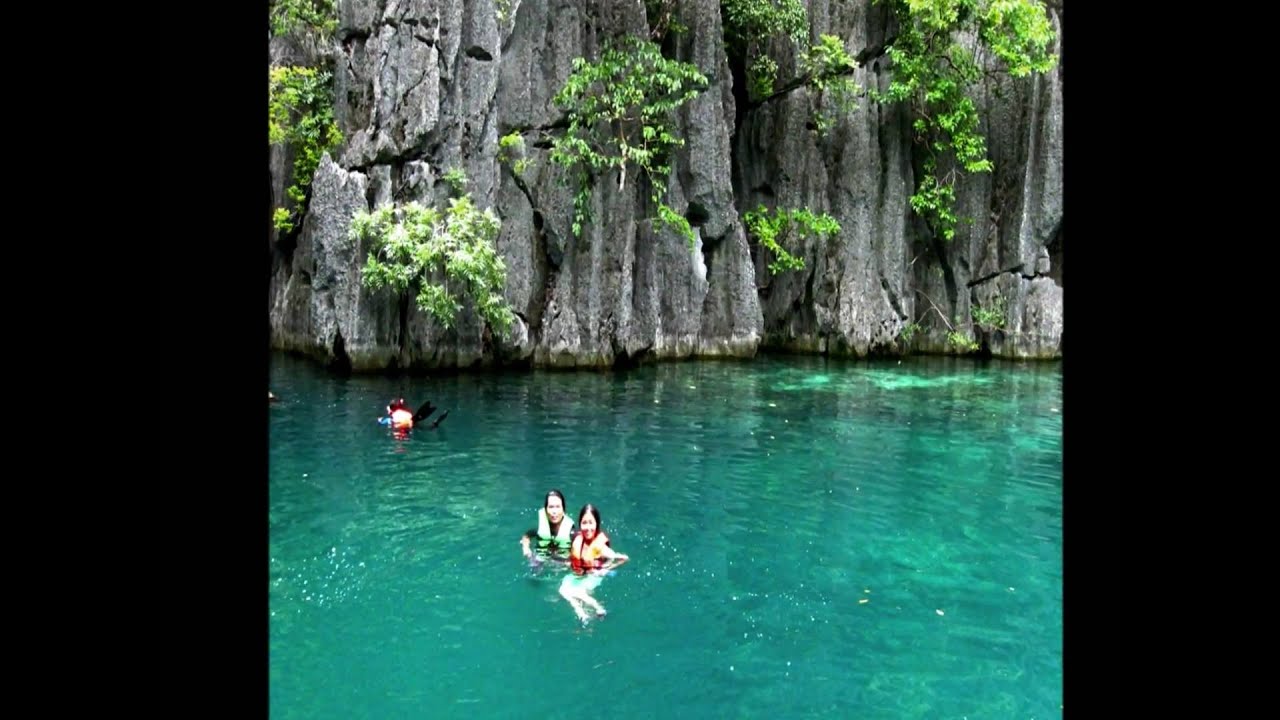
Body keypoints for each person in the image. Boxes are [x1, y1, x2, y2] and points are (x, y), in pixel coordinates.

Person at [559, 504, 629, 623]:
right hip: (578, 575)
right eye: (584, 523)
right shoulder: (578, 539)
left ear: (597, 524)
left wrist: (605, 569)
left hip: (592, 576)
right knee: (563, 591)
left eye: (591, 522)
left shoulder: (600, 547)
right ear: (580, 524)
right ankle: (583, 613)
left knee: (575, 592)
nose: (588, 527)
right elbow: (573, 558)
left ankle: (597, 609)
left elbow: (624, 558)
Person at [520, 489, 574, 563]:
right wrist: (526, 549)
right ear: (545, 509)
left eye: (558, 507)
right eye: (551, 507)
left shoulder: (571, 532)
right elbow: (526, 536)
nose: (554, 512)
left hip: (562, 561)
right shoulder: (541, 528)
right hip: (540, 557)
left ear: (563, 509)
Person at [378, 397, 448, 432]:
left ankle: (435, 423)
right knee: (427, 428)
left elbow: (385, 419)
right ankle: (436, 422)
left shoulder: (392, 416)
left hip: (405, 425)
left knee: (426, 428)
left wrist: (379, 420)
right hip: (410, 421)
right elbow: (399, 405)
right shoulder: (400, 410)